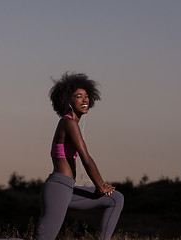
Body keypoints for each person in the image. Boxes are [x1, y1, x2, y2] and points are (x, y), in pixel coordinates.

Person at [34, 73, 124, 240]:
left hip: (68, 189)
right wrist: (100, 186)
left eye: (87, 96)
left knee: (116, 199)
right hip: (58, 189)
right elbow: (86, 158)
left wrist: (101, 186)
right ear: (67, 100)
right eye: (79, 97)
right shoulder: (68, 122)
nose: (85, 100)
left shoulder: (70, 123)